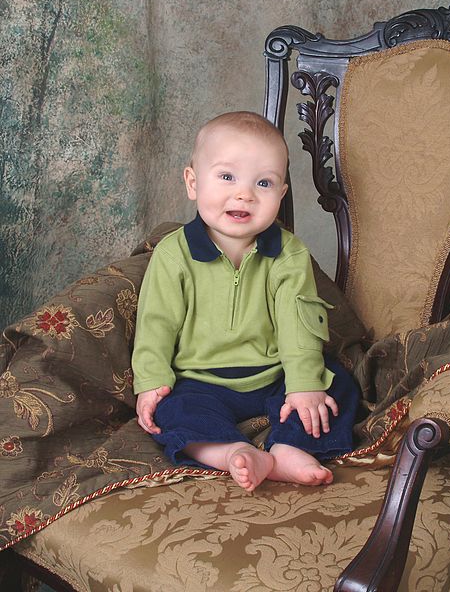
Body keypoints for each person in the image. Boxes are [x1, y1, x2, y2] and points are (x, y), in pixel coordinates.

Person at [132, 111, 359, 492]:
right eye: (226, 177)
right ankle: (231, 452)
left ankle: (286, 449)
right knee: (173, 411)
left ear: (281, 194)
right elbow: (155, 323)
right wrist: (152, 380)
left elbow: (297, 325)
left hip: (273, 375)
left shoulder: (288, 255)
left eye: (264, 182)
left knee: (337, 386)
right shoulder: (174, 255)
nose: (244, 194)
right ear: (192, 182)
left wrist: (304, 384)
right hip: (200, 380)